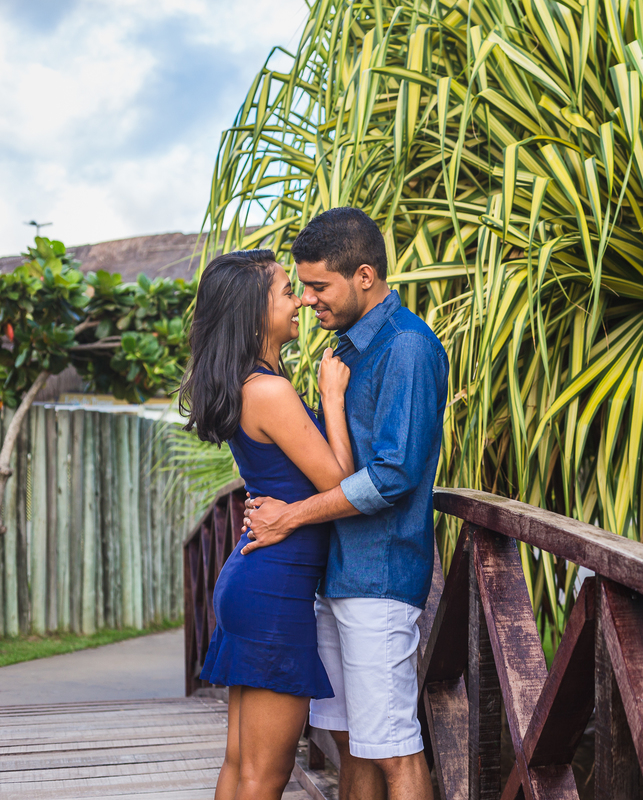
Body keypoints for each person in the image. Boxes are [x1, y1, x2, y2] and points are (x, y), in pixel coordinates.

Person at [242, 207, 448, 800]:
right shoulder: (352, 347)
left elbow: (391, 478)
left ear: (364, 275)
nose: (307, 301)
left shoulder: (406, 347)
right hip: (340, 575)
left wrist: (292, 516)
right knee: (357, 741)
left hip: (379, 579)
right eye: (301, 288)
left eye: (317, 287)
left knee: (395, 751)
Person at [179, 249, 355, 800]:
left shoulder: (250, 382)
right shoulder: (271, 392)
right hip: (274, 590)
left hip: (257, 580)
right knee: (263, 776)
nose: (301, 298)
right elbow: (342, 482)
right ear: (255, 313)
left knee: (240, 766)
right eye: (287, 291)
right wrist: (331, 397)